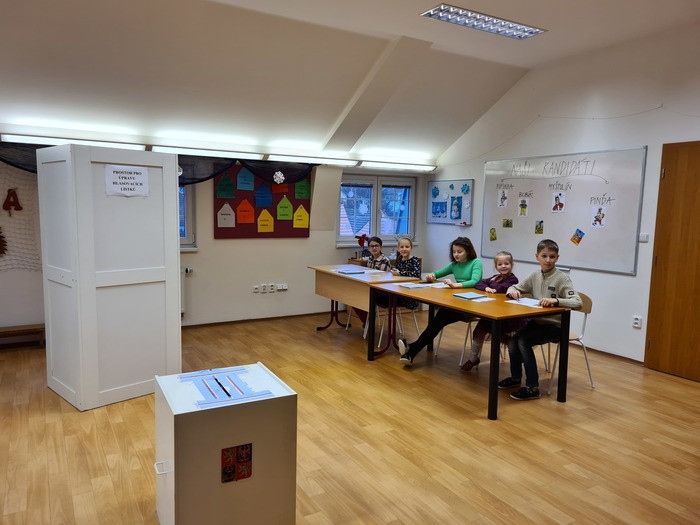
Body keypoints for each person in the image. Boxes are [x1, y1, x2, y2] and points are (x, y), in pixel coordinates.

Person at [498, 239, 582, 400]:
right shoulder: (534, 275)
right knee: (513, 341)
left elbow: (577, 302)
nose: (548, 260)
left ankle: (533, 387)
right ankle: (515, 378)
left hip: (556, 326)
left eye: (552, 256)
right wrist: (512, 291)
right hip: (537, 322)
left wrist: (556, 300)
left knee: (523, 341)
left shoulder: (562, 278)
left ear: (557, 257)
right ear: (537, 257)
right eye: (544, 256)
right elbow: (514, 287)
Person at [398, 236, 483, 367]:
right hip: (458, 303)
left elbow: (475, 281)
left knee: (439, 319)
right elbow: (437, 273)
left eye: (459, 252)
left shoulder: (476, 262)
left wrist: (456, 285)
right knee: (439, 319)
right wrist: (431, 276)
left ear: (468, 251)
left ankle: (412, 349)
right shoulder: (454, 265)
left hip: (470, 306)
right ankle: (412, 350)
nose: (456, 254)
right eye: (454, 252)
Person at [460, 251, 527, 372]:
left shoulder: (513, 279)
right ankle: (473, 358)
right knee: (479, 329)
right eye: (500, 264)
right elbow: (478, 283)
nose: (503, 266)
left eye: (506, 263)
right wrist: (486, 287)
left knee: (498, 334)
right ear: (496, 266)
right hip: (492, 313)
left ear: (512, 265)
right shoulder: (496, 277)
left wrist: (490, 284)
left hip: (508, 317)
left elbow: (500, 288)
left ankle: (517, 353)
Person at [353, 237, 392, 324]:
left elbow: (382, 278)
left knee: (361, 297)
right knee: (353, 297)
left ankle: (369, 322)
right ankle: (366, 321)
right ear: (369, 248)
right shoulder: (370, 259)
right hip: (371, 287)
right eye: (372, 246)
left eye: (376, 246)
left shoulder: (385, 260)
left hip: (381, 290)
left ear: (381, 247)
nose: (374, 248)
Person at [390, 236, 421, 311]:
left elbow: (416, 274)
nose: (404, 249)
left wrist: (400, 273)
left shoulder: (415, 260)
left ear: (411, 248)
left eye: (407, 247)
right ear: (398, 249)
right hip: (399, 290)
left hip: (409, 293)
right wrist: (394, 271)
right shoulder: (399, 260)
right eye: (401, 247)